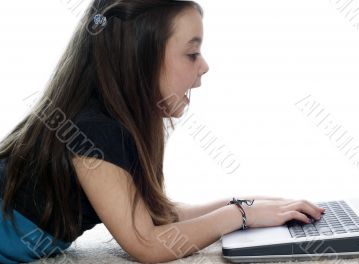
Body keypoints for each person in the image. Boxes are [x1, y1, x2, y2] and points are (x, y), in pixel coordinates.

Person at [0, 0, 325, 263]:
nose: (205, 66)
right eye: (191, 54)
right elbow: (147, 243)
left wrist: (248, 204)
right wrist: (240, 215)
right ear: (139, 60)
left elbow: (157, 216)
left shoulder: (110, 121)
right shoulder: (93, 132)